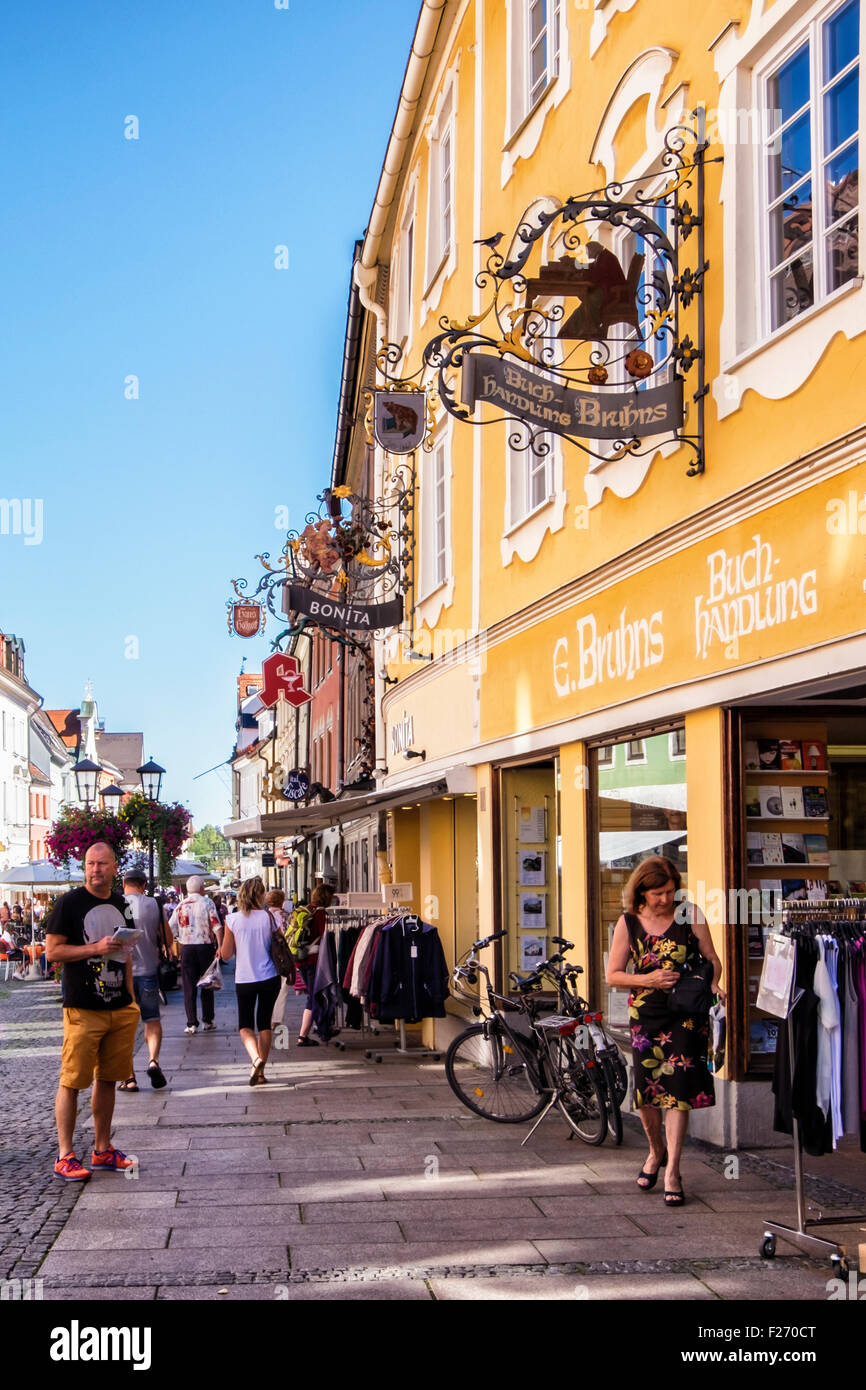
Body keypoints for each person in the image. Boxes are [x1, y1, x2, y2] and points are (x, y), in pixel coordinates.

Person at [605, 855, 725, 1208]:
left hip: (687, 1013)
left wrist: (713, 984)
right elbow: (613, 974)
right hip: (647, 1014)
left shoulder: (690, 914)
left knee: (679, 1090)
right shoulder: (629, 922)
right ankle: (655, 1151)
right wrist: (648, 979)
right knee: (648, 1089)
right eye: (658, 893)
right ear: (641, 891)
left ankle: (672, 1169)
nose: (665, 899)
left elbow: (712, 958)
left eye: (670, 891)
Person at [44, 841, 140, 1181]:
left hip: (118, 1007)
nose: (95, 870)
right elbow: (52, 952)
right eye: (89, 864)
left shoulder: (121, 904)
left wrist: (131, 1000)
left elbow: (126, 952)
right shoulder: (70, 903)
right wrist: (93, 948)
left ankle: (103, 1150)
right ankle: (65, 1155)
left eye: (102, 864)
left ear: (115, 867)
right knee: (72, 1081)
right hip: (83, 1007)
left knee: (109, 1079)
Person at [220, 876, 280, 1085]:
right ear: (261, 895)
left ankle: (255, 1059)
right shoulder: (269, 918)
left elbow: (226, 954)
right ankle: (261, 1072)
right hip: (270, 977)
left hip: (245, 978)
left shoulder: (233, 919)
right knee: (264, 1023)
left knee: (245, 1024)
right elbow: (280, 945)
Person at [121, 869, 171, 1091]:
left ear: (124, 884)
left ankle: (129, 1078)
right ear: (144, 885)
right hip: (149, 971)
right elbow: (168, 938)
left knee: (124, 1026)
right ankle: (153, 1060)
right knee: (152, 1019)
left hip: (123, 975)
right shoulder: (154, 905)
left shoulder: (116, 903)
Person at [169, 877, 221, 1034]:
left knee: (188, 986)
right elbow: (216, 925)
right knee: (207, 983)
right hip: (205, 947)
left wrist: (175, 942)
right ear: (201, 888)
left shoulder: (181, 905)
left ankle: (192, 1023)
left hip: (187, 948)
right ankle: (208, 1020)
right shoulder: (207, 903)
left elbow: (171, 926)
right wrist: (220, 945)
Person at [296, 885, 329, 1048]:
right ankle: (324, 1029)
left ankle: (303, 1036)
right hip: (313, 959)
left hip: (301, 958)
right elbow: (324, 935)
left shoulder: (307, 909)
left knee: (312, 995)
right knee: (316, 995)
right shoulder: (320, 912)